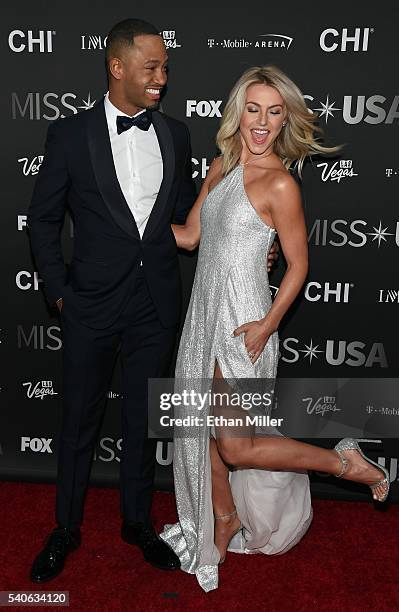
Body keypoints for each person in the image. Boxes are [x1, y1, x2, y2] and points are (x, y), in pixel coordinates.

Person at [160, 65, 390, 592]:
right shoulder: (218, 169)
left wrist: (267, 324)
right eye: (254, 109)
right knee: (203, 439)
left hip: (245, 323)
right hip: (202, 319)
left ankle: (343, 461)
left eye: (274, 111)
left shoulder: (281, 182)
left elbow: (299, 265)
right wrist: (129, 226)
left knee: (236, 446)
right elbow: (191, 237)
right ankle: (224, 522)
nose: (262, 122)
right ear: (238, 111)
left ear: (285, 118)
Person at [27, 18, 199, 582]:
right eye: (152, 67)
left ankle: (136, 522)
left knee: (144, 420)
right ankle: (66, 527)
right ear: (117, 67)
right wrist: (59, 294)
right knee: (79, 421)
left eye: (166, 68)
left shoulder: (174, 134)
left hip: (155, 303)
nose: (161, 78)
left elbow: (188, 214)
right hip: (91, 305)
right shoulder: (70, 135)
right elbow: (45, 220)